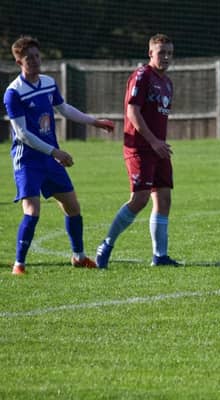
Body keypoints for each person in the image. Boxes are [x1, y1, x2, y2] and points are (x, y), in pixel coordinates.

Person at [4, 36, 115, 275]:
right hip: (28, 161)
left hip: (50, 158)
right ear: (18, 61)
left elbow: (64, 109)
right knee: (32, 211)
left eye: (36, 56)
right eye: (28, 58)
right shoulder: (13, 93)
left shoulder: (48, 82)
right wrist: (55, 151)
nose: (34, 61)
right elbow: (22, 134)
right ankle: (19, 264)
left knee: (73, 207)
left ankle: (78, 256)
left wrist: (94, 122)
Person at [95, 33, 179, 268]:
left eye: (170, 53)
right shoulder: (142, 76)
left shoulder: (167, 83)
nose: (166, 57)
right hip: (141, 146)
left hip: (158, 147)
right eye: (161, 52)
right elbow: (133, 112)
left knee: (163, 199)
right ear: (150, 53)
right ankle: (107, 244)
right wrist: (153, 141)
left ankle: (160, 256)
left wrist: (158, 143)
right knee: (140, 199)